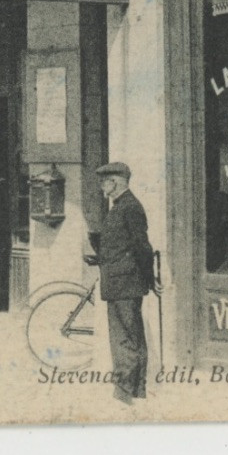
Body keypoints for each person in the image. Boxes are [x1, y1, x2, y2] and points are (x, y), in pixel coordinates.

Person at [87, 162, 156, 404]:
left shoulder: (130, 207)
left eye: (104, 181)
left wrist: (150, 278)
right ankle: (134, 391)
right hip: (119, 282)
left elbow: (142, 248)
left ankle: (125, 393)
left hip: (125, 283)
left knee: (125, 338)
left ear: (114, 182)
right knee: (128, 336)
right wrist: (100, 256)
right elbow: (121, 246)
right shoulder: (120, 207)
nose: (101, 185)